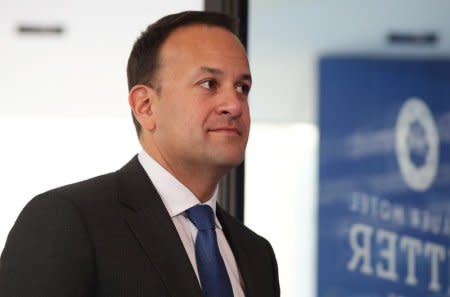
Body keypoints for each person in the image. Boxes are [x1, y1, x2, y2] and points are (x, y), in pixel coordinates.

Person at [0, 10, 280, 297]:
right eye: (209, 84)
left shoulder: (257, 254)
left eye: (242, 88)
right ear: (145, 105)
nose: (234, 105)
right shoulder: (68, 221)